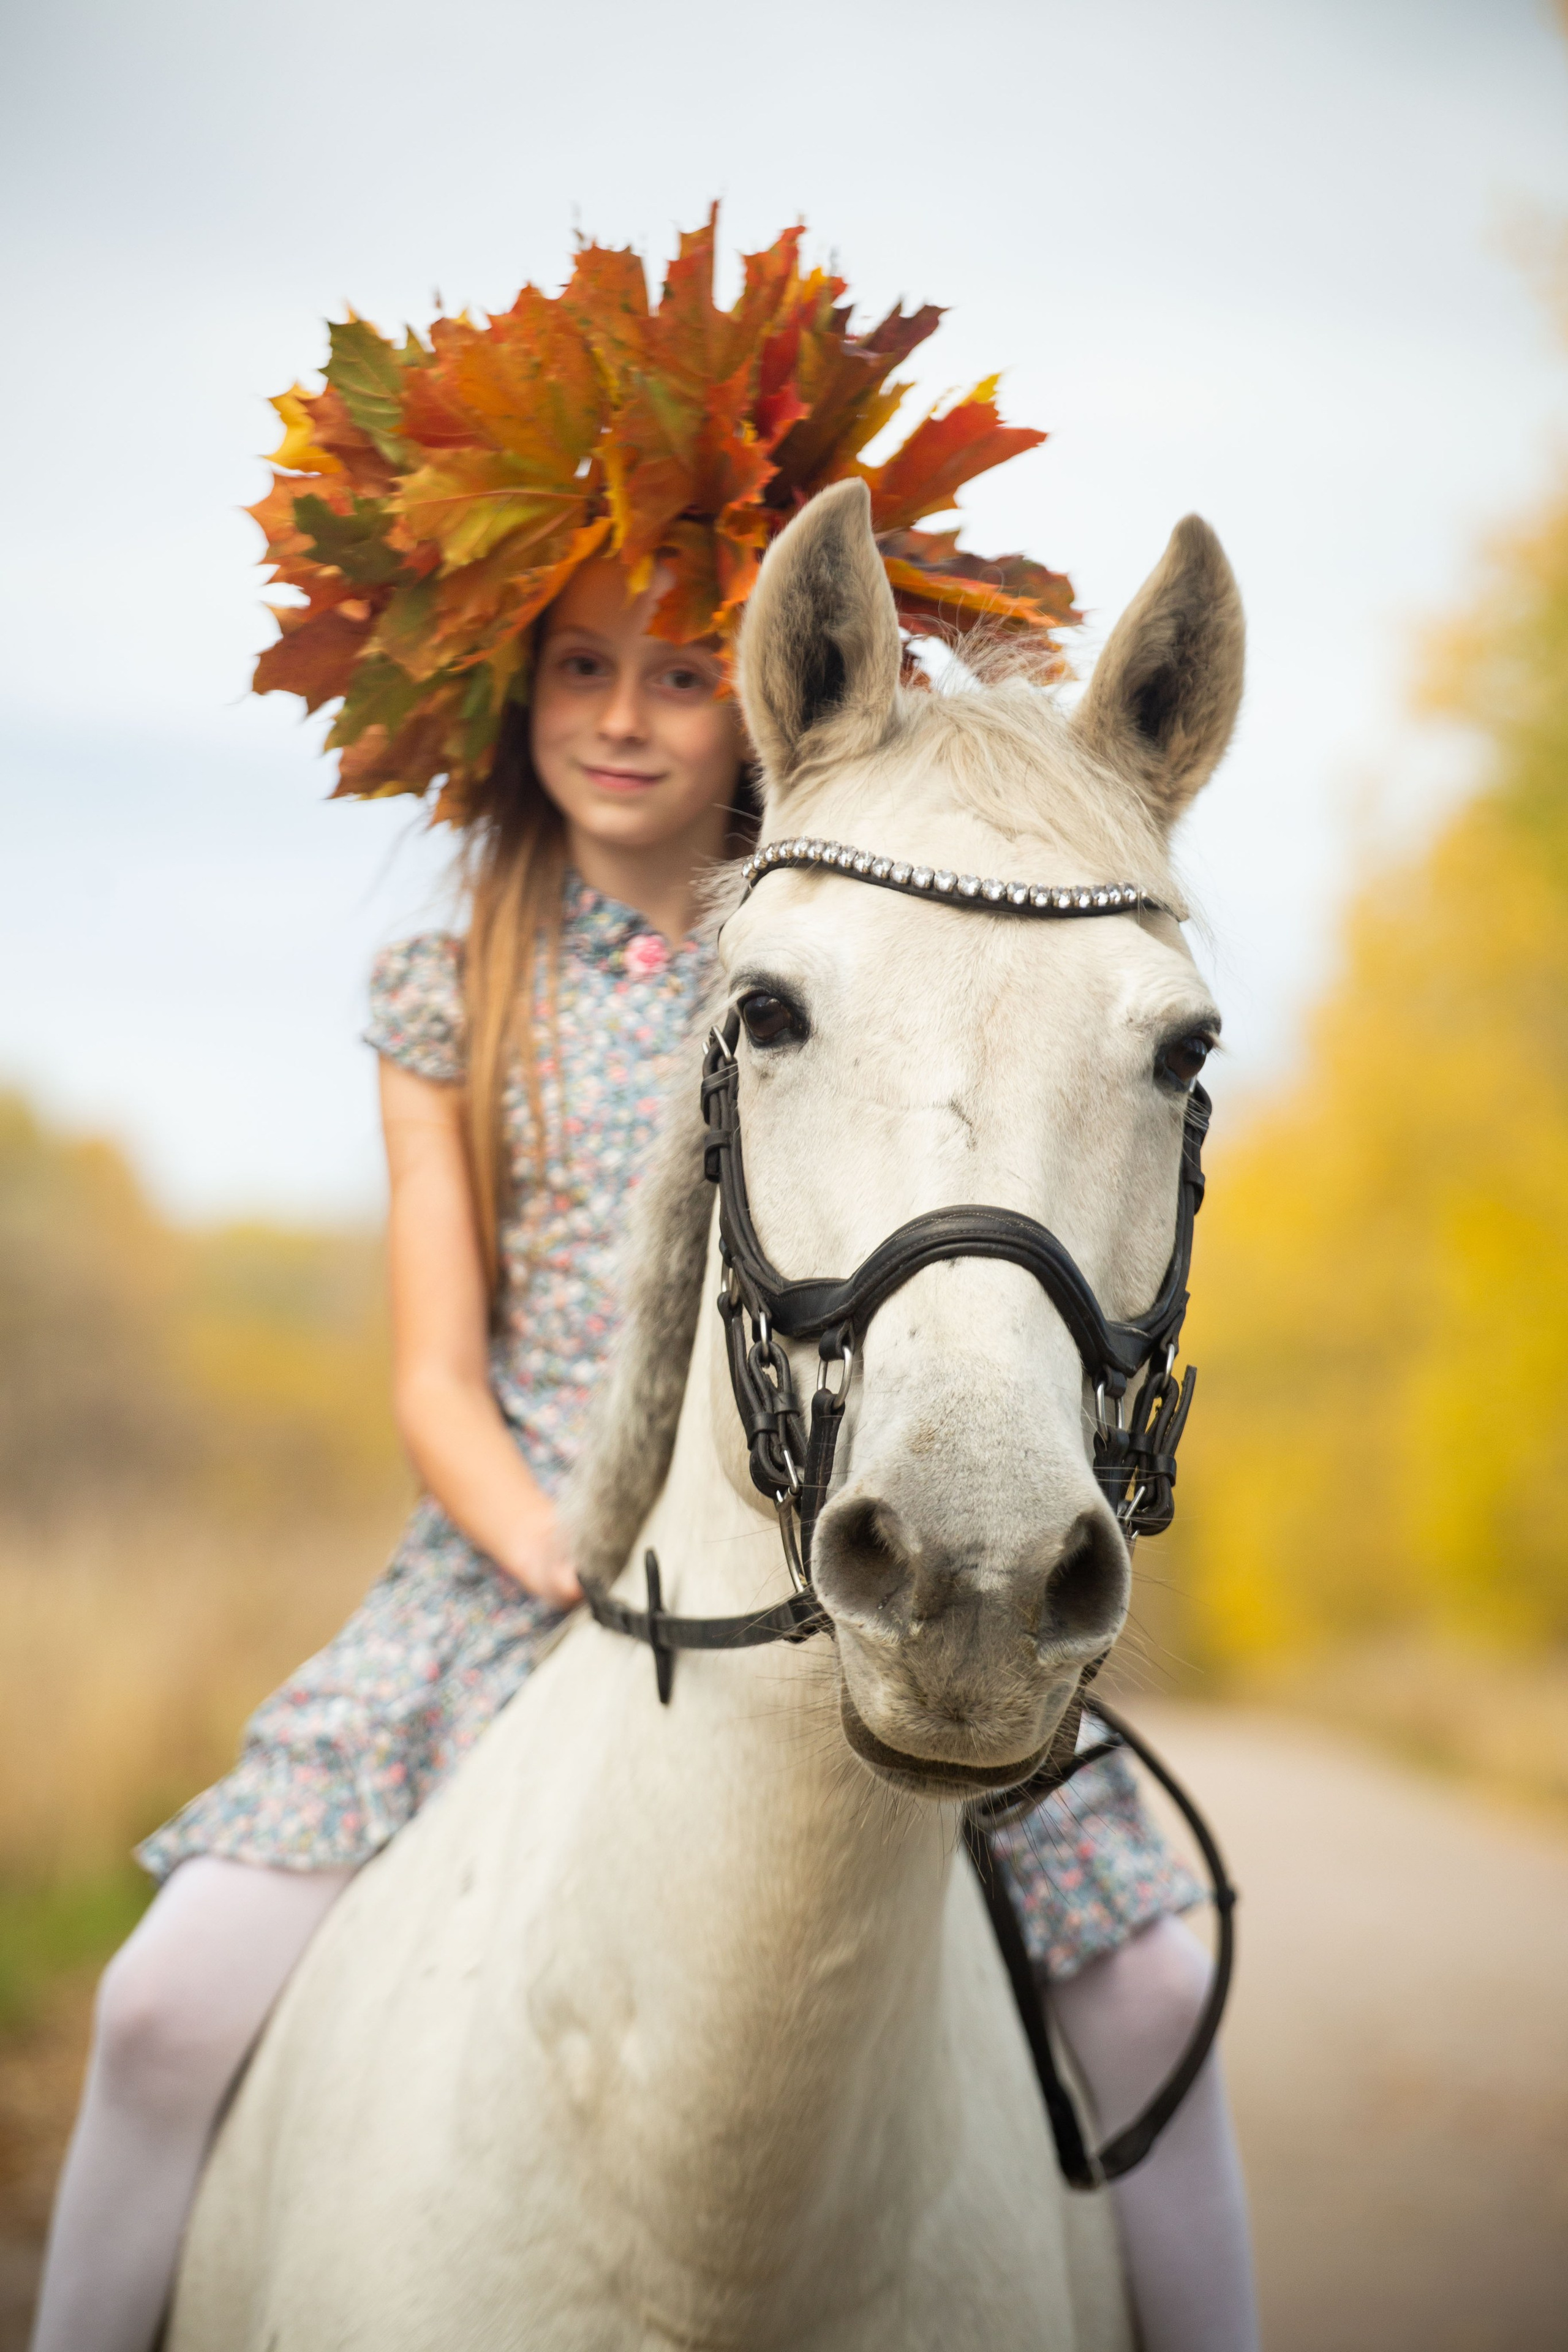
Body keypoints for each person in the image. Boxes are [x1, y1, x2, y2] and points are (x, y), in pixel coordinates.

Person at [30, 221, 1257, 2352]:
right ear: (516, 695)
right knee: (153, 2012)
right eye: (583, 667)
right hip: (507, 1574)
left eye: (684, 670)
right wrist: (565, 1559)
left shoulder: (866, 937)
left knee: (1156, 1981)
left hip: (818, 1540)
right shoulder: (456, 981)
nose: (626, 716)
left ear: (764, 698)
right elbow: (434, 1374)